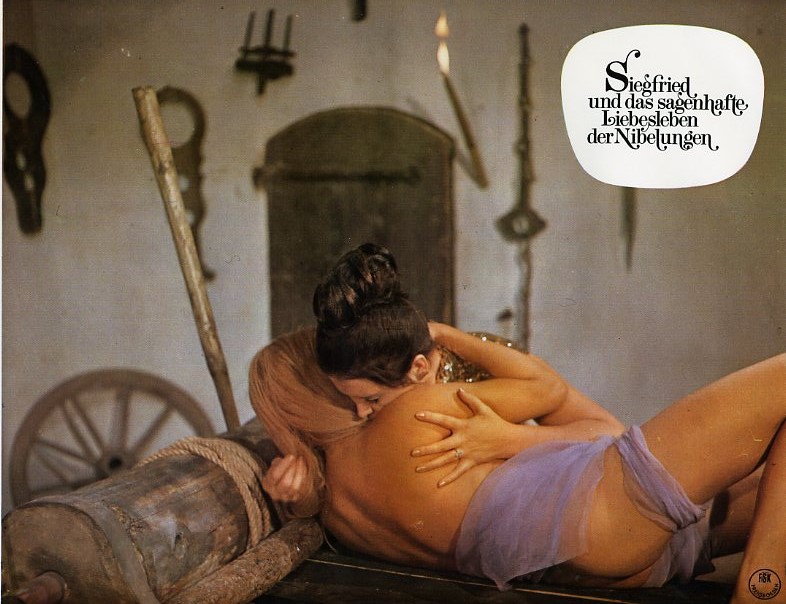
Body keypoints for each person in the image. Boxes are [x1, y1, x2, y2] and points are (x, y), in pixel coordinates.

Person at [251, 243, 785, 604]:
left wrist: (299, 495)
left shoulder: (335, 511)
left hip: (602, 562)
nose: (367, 408)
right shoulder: (412, 413)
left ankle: (766, 586)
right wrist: (445, 336)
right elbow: (563, 401)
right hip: (611, 514)